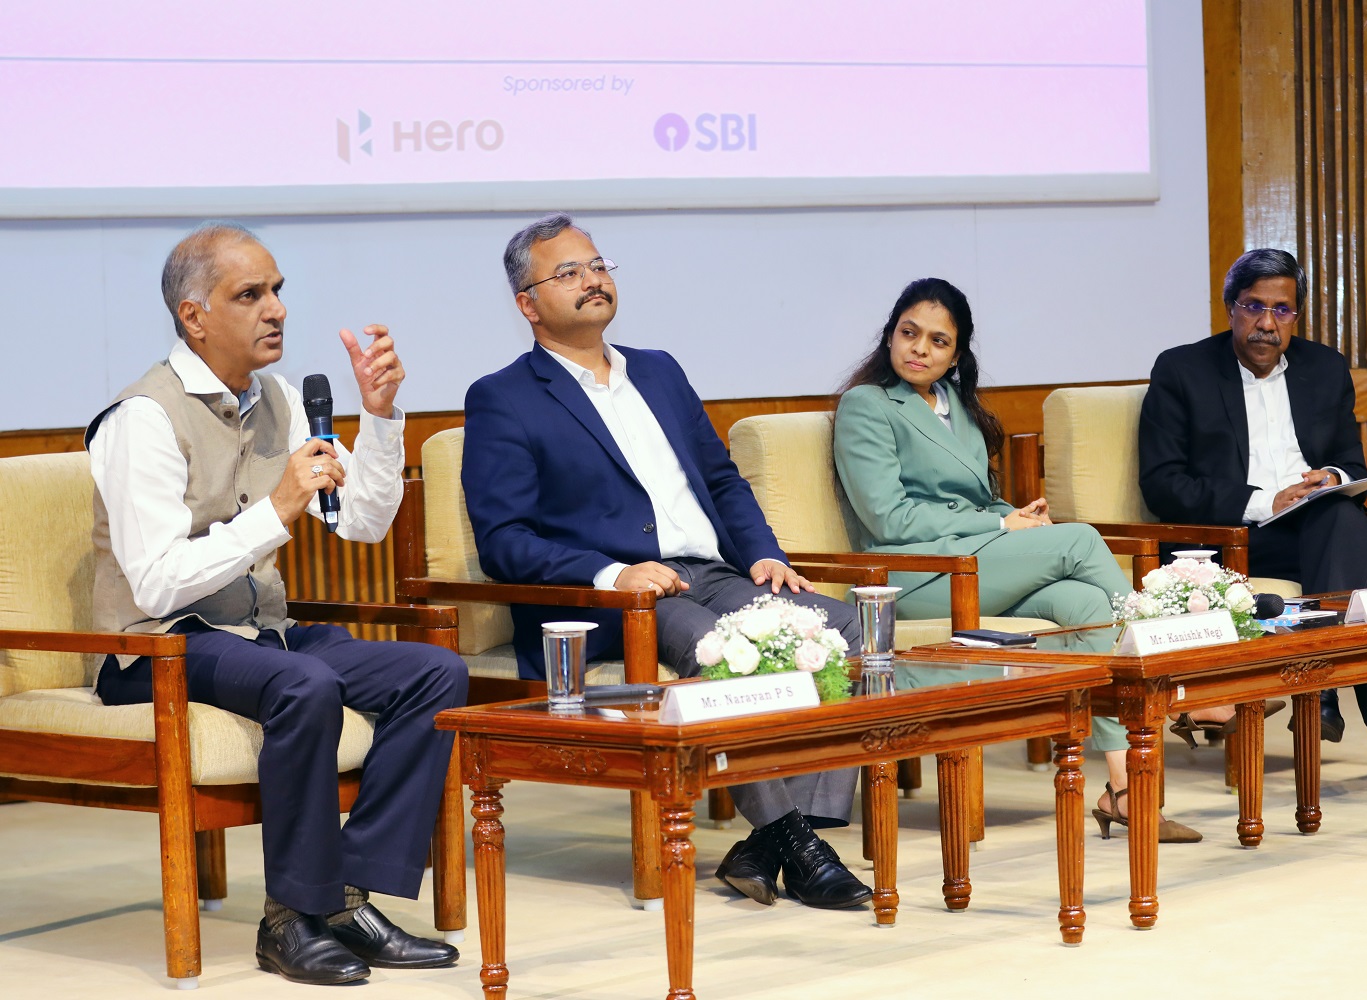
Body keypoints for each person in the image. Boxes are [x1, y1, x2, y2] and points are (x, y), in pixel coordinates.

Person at [86, 222, 468, 985]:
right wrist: (275, 510)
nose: (277, 311)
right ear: (194, 317)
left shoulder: (280, 399)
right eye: (250, 295)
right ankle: (289, 920)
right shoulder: (143, 419)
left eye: (279, 291)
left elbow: (361, 521)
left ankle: (347, 895)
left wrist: (382, 414)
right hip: (154, 647)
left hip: (261, 633)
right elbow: (157, 583)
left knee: (435, 674)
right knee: (306, 682)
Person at [462, 213, 871, 910]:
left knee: (839, 630)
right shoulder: (503, 397)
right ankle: (796, 843)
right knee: (725, 654)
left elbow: (720, 481)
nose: (592, 280)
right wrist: (610, 574)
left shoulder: (658, 369)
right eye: (568, 272)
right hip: (617, 601)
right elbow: (505, 538)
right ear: (527, 305)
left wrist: (765, 556)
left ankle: (776, 838)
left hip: (713, 574)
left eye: (597, 265)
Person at [833, 277, 1236, 843]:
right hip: (910, 572)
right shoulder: (867, 404)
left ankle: (1121, 789)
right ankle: (1196, 680)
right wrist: (1001, 524)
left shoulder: (956, 408)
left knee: (1087, 602)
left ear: (956, 355)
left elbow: (971, 502)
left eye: (938, 341)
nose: (920, 348)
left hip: (974, 559)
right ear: (890, 335)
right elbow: (889, 519)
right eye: (909, 333)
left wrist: (1017, 513)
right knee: (1080, 540)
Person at [1138, 248, 1367, 796]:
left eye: (1282, 310)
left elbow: (1352, 462)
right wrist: (1269, 501)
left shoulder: (1325, 367)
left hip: (1317, 533)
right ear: (1230, 309)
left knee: (1342, 518)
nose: (1267, 323)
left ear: (1297, 315)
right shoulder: (1182, 369)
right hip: (1232, 542)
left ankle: (1336, 693)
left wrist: (1332, 477)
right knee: (1358, 573)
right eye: (1254, 306)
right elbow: (1163, 484)